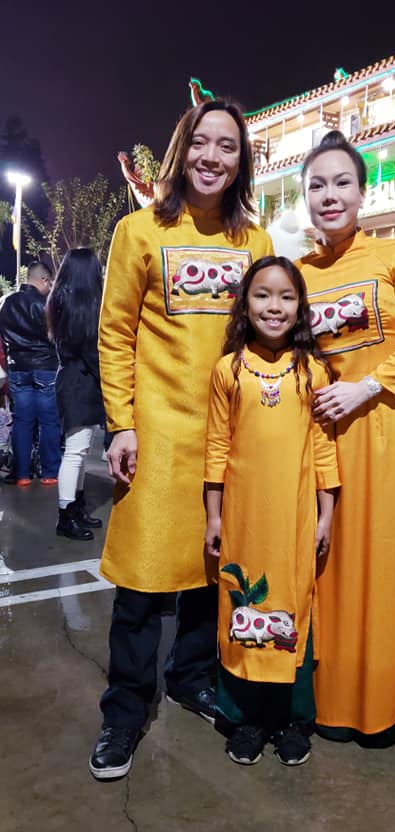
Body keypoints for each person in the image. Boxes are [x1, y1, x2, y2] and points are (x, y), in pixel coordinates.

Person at [90, 100, 273, 780]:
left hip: (231, 437)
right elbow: (114, 332)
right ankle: (125, 708)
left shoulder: (255, 242)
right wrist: (122, 422)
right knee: (141, 584)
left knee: (211, 571)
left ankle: (190, 677)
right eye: (202, 142)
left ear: (240, 162)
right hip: (158, 436)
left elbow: (268, 337)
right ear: (181, 150)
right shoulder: (139, 231)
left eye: (228, 146)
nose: (212, 157)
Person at [296, 130, 395, 745]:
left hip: (386, 428)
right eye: (317, 185)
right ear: (306, 197)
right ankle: (330, 700)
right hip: (325, 433)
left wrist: (367, 386)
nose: (329, 195)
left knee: (384, 562)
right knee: (328, 563)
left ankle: (381, 704)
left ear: (362, 192)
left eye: (341, 183)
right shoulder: (300, 273)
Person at [204, 256, 339, 765]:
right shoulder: (228, 370)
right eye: (262, 295)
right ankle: (245, 718)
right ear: (245, 304)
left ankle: (291, 719)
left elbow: (324, 448)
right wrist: (214, 515)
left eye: (286, 296)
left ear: (300, 306)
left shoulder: (313, 372)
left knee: (292, 607)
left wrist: (326, 515)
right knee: (242, 606)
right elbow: (216, 446)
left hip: (295, 519)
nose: (274, 306)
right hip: (242, 520)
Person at [46, 248, 105, 540]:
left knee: (79, 451)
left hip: (72, 380)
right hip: (80, 383)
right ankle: (66, 514)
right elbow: (92, 351)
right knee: (75, 452)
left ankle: (75, 507)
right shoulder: (84, 307)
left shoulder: (61, 300)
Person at [0, 261, 61, 485]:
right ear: (44, 279)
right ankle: (50, 473)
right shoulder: (45, 305)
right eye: (50, 282)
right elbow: (55, 336)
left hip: (18, 367)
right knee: (48, 421)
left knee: (22, 420)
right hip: (45, 367)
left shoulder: (7, 303)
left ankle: (22, 474)